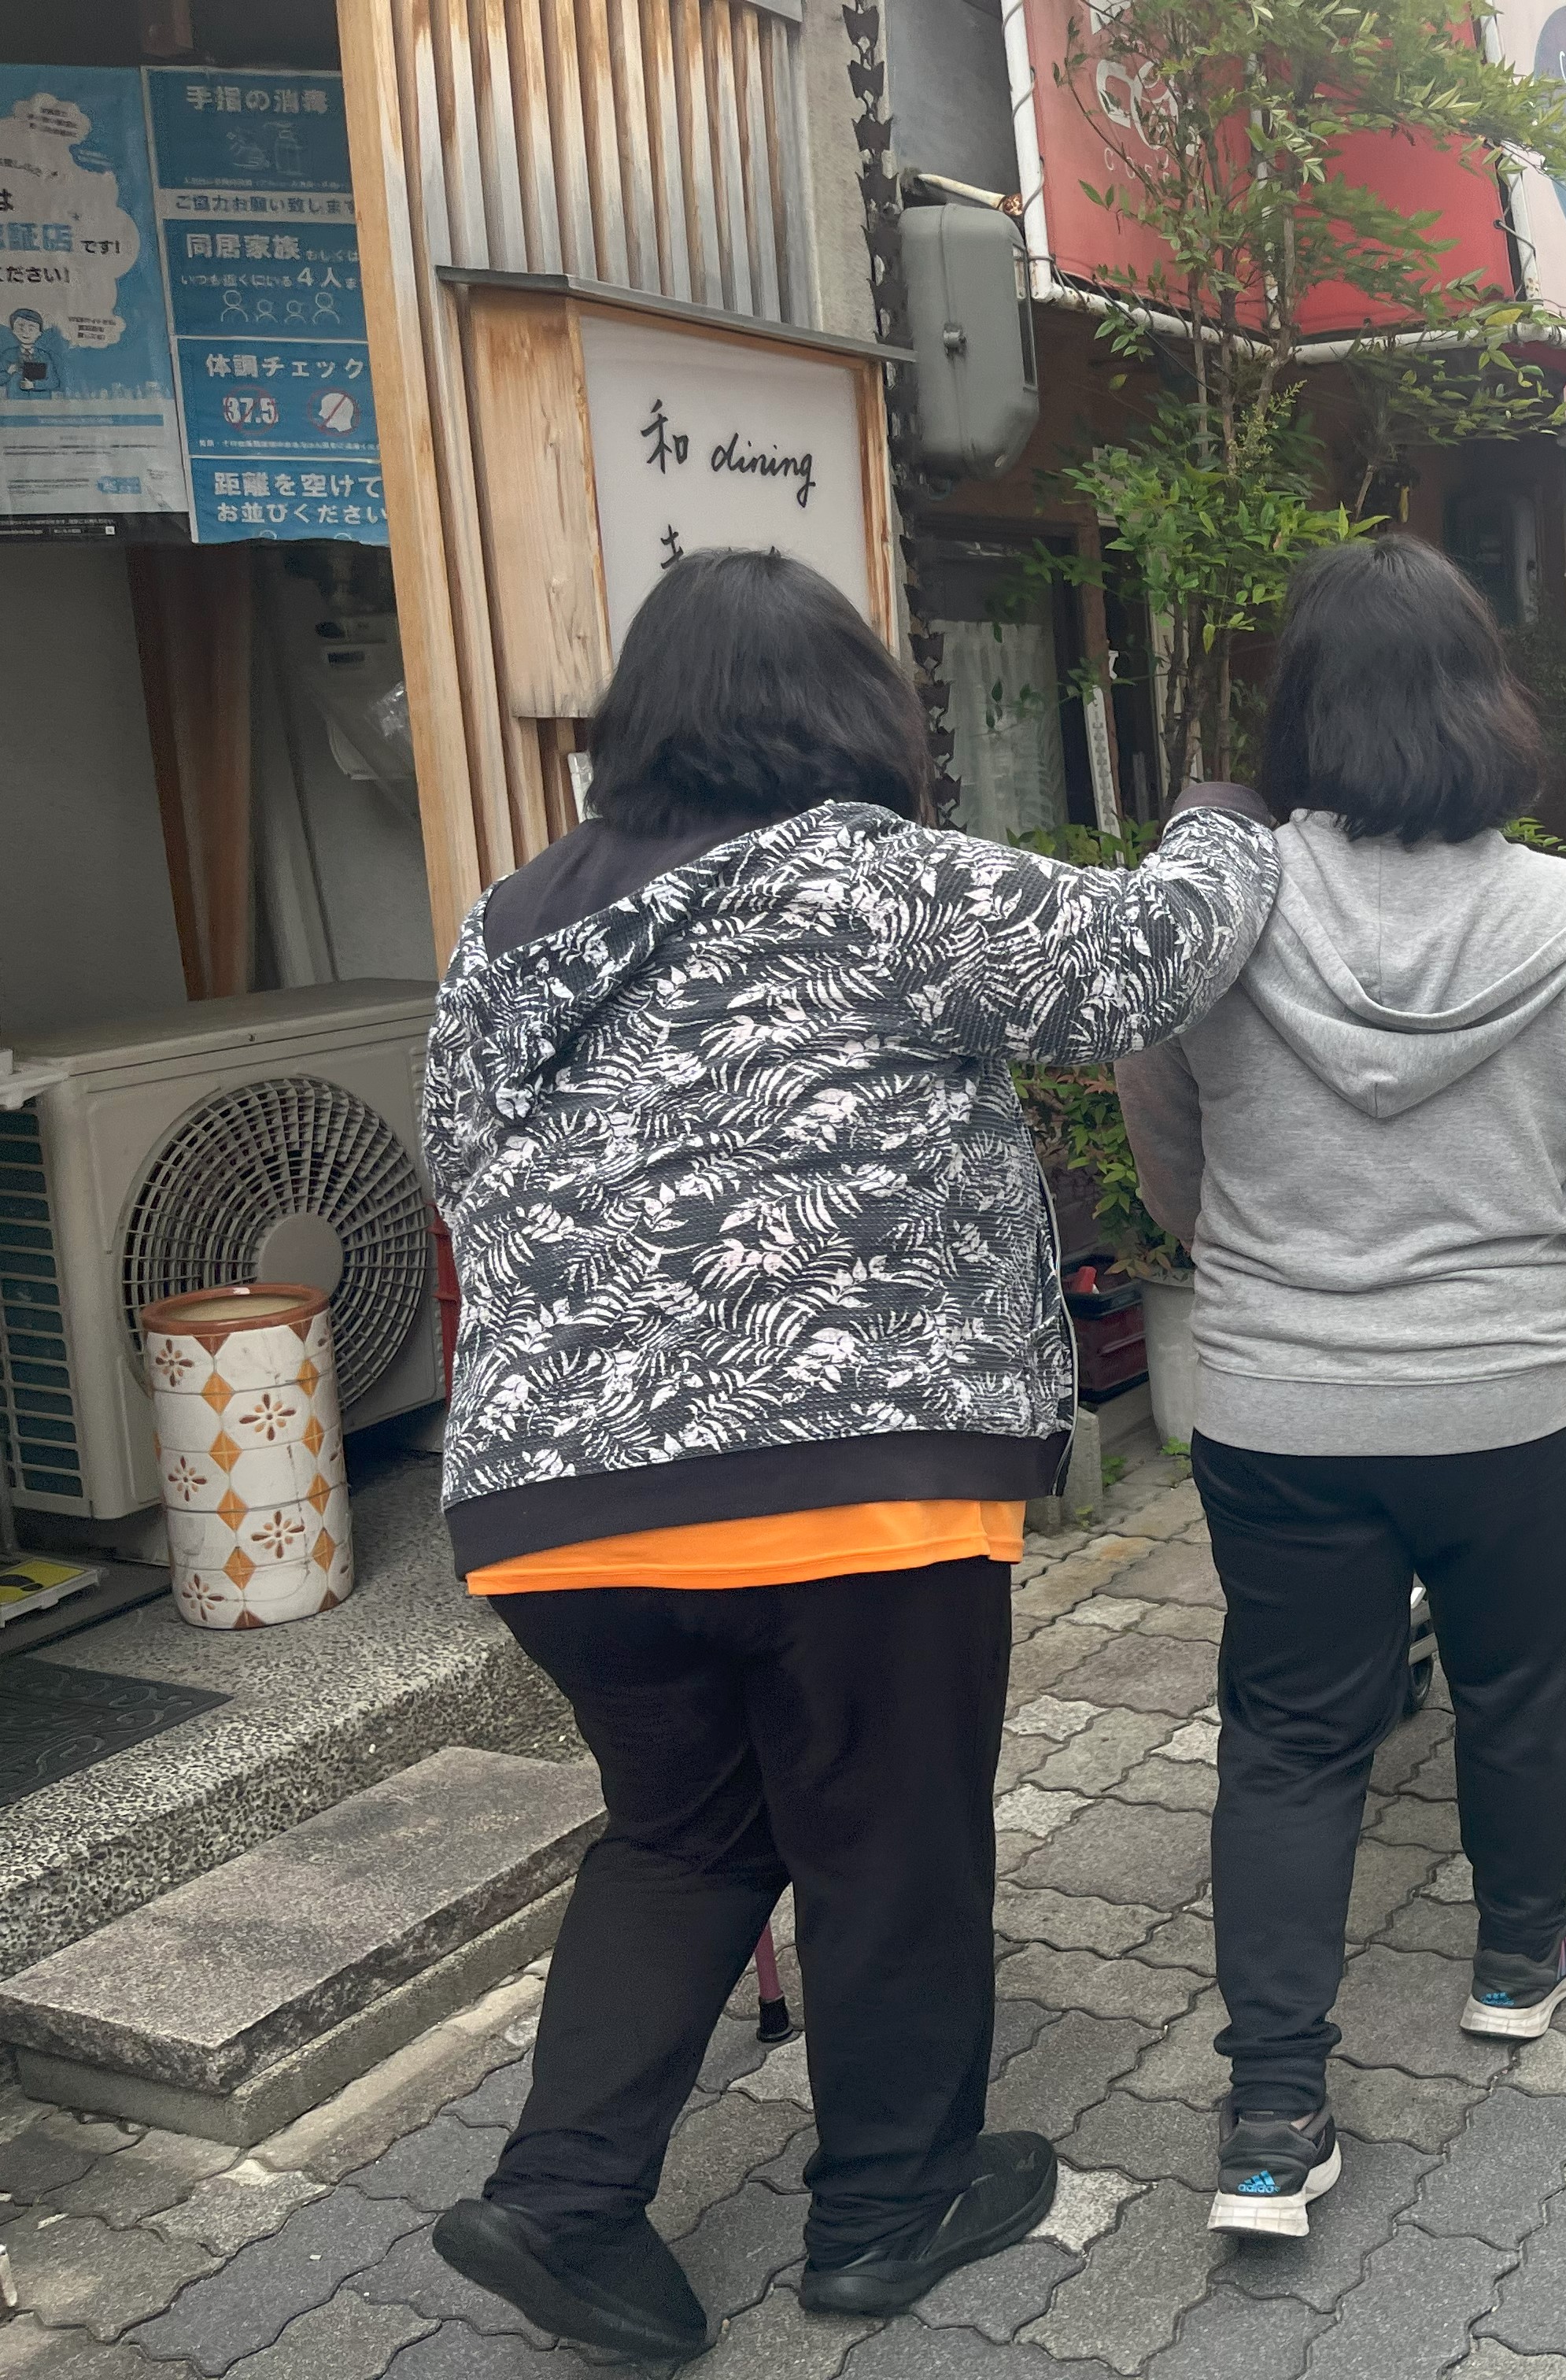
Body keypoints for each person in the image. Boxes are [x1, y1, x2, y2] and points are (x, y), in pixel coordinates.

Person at [417, 549, 1278, 2360]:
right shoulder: (868, 873)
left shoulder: (507, 925)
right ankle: (889, 2208)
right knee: (888, 1839)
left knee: (686, 1829)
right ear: (844, 711)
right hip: (853, 1477)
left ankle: (563, 2200)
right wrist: (1221, 823)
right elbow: (1135, 965)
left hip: (556, 1504)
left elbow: (454, 1151)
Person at [1116, 535, 1566, 2241]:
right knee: (1522, 1677)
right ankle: (1521, 1953)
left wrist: (1257, 1248)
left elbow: (1170, 1160)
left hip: (1275, 1401)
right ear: (1480, 700)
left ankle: (1270, 2116)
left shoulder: (1213, 913)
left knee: (1291, 1735)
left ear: (1297, 707)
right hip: (1505, 1396)